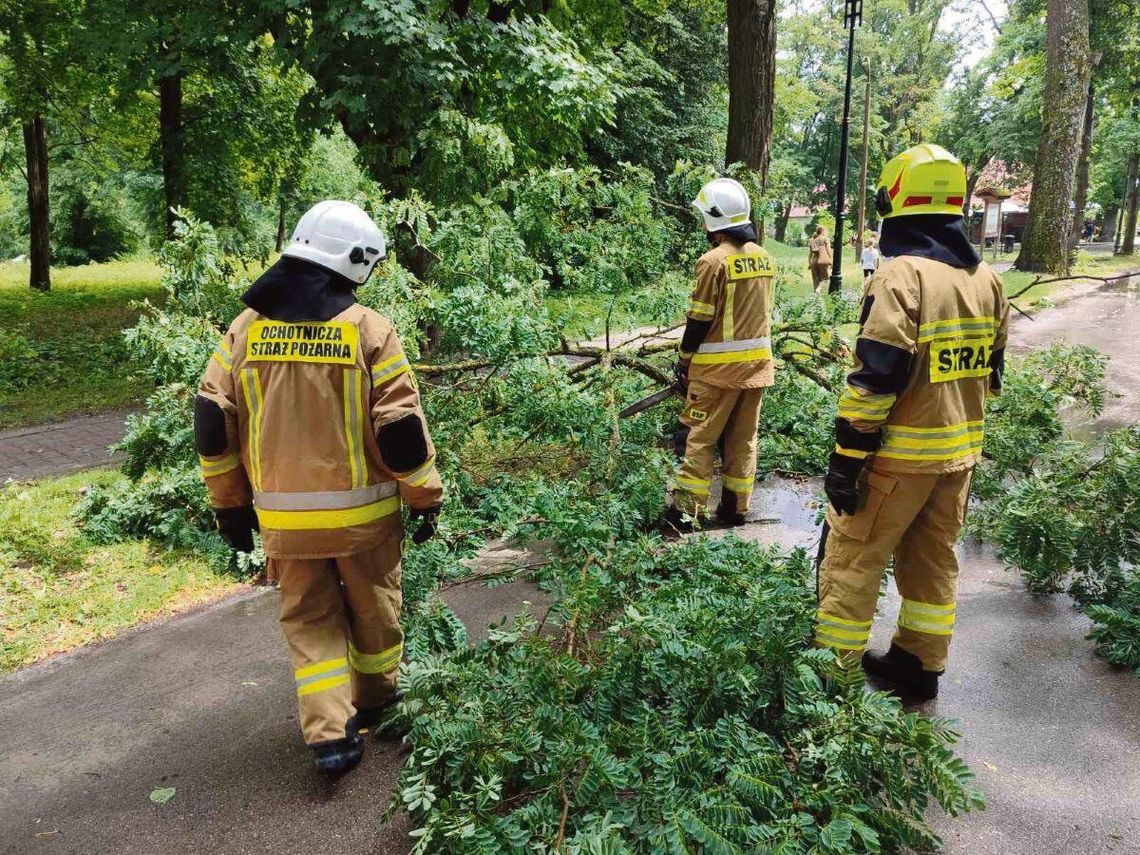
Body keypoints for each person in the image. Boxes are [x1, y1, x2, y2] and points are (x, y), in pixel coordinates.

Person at [194, 201, 444, 773]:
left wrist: (229, 508)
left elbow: (212, 422)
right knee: (374, 613)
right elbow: (401, 432)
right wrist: (426, 497)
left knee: (310, 622)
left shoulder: (243, 332)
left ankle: (331, 736)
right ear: (352, 262)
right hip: (365, 523)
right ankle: (378, 703)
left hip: (285, 525)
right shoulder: (369, 332)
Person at [814, 144, 1009, 701]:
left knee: (854, 561)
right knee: (932, 563)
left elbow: (876, 378)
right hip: (958, 459)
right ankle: (919, 665)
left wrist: (846, 461)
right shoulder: (986, 279)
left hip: (896, 460)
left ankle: (832, 681)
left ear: (895, 198)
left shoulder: (902, 277)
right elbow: (989, 374)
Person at [666, 177, 776, 530]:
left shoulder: (713, 262)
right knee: (743, 440)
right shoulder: (764, 259)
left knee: (698, 438)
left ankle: (687, 513)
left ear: (714, 218)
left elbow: (699, 320)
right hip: (757, 369)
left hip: (715, 373)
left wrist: (684, 360)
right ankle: (735, 509)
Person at [808, 225, 833, 293]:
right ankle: (818, 290)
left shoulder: (812, 240)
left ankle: (815, 297)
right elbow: (828, 250)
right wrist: (831, 260)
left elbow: (810, 254)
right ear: (822, 231)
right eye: (825, 231)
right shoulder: (825, 239)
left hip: (814, 261)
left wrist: (809, 263)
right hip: (823, 260)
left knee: (816, 279)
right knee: (825, 277)